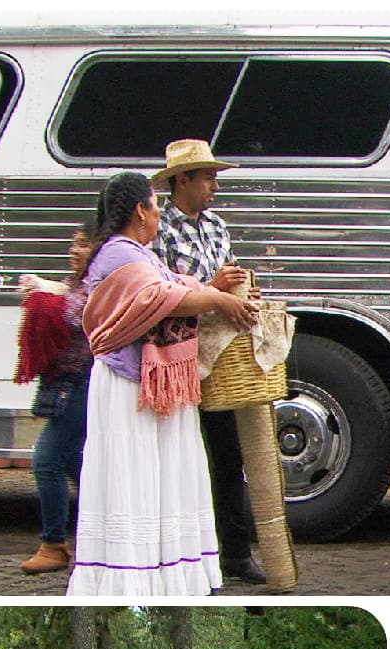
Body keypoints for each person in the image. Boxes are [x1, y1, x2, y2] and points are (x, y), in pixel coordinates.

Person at [67, 171, 257, 596]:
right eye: (153, 205)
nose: (157, 214)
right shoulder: (120, 254)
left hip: (150, 383)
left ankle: (163, 569)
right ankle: (128, 574)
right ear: (141, 210)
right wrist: (218, 298)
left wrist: (210, 288)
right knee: (134, 473)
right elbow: (162, 299)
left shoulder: (137, 253)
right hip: (126, 383)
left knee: (161, 473)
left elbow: (173, 289)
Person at [151, 138, 267, 586]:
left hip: (217, 357)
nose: (214, 185)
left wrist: (242, 291)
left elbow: (229, 273)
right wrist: (213, 287)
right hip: (175, 357)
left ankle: (235, 552)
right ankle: (183, 550)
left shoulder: (217, 225)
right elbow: (161, 290)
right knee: (181, 453)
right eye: (207, 177)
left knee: (226, 454)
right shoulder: (158, 229)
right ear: (183, 181)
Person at [14, 222, 95, 574]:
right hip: (70, 381)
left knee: (48, 460)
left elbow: (78, 314)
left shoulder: (100, 282)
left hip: (83, 380)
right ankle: (97, 537)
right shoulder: (79, 283)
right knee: (77, 466)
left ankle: (54, 544)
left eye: (82, 245)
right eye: (72, 244)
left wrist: (44, 293)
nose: (73, 251)